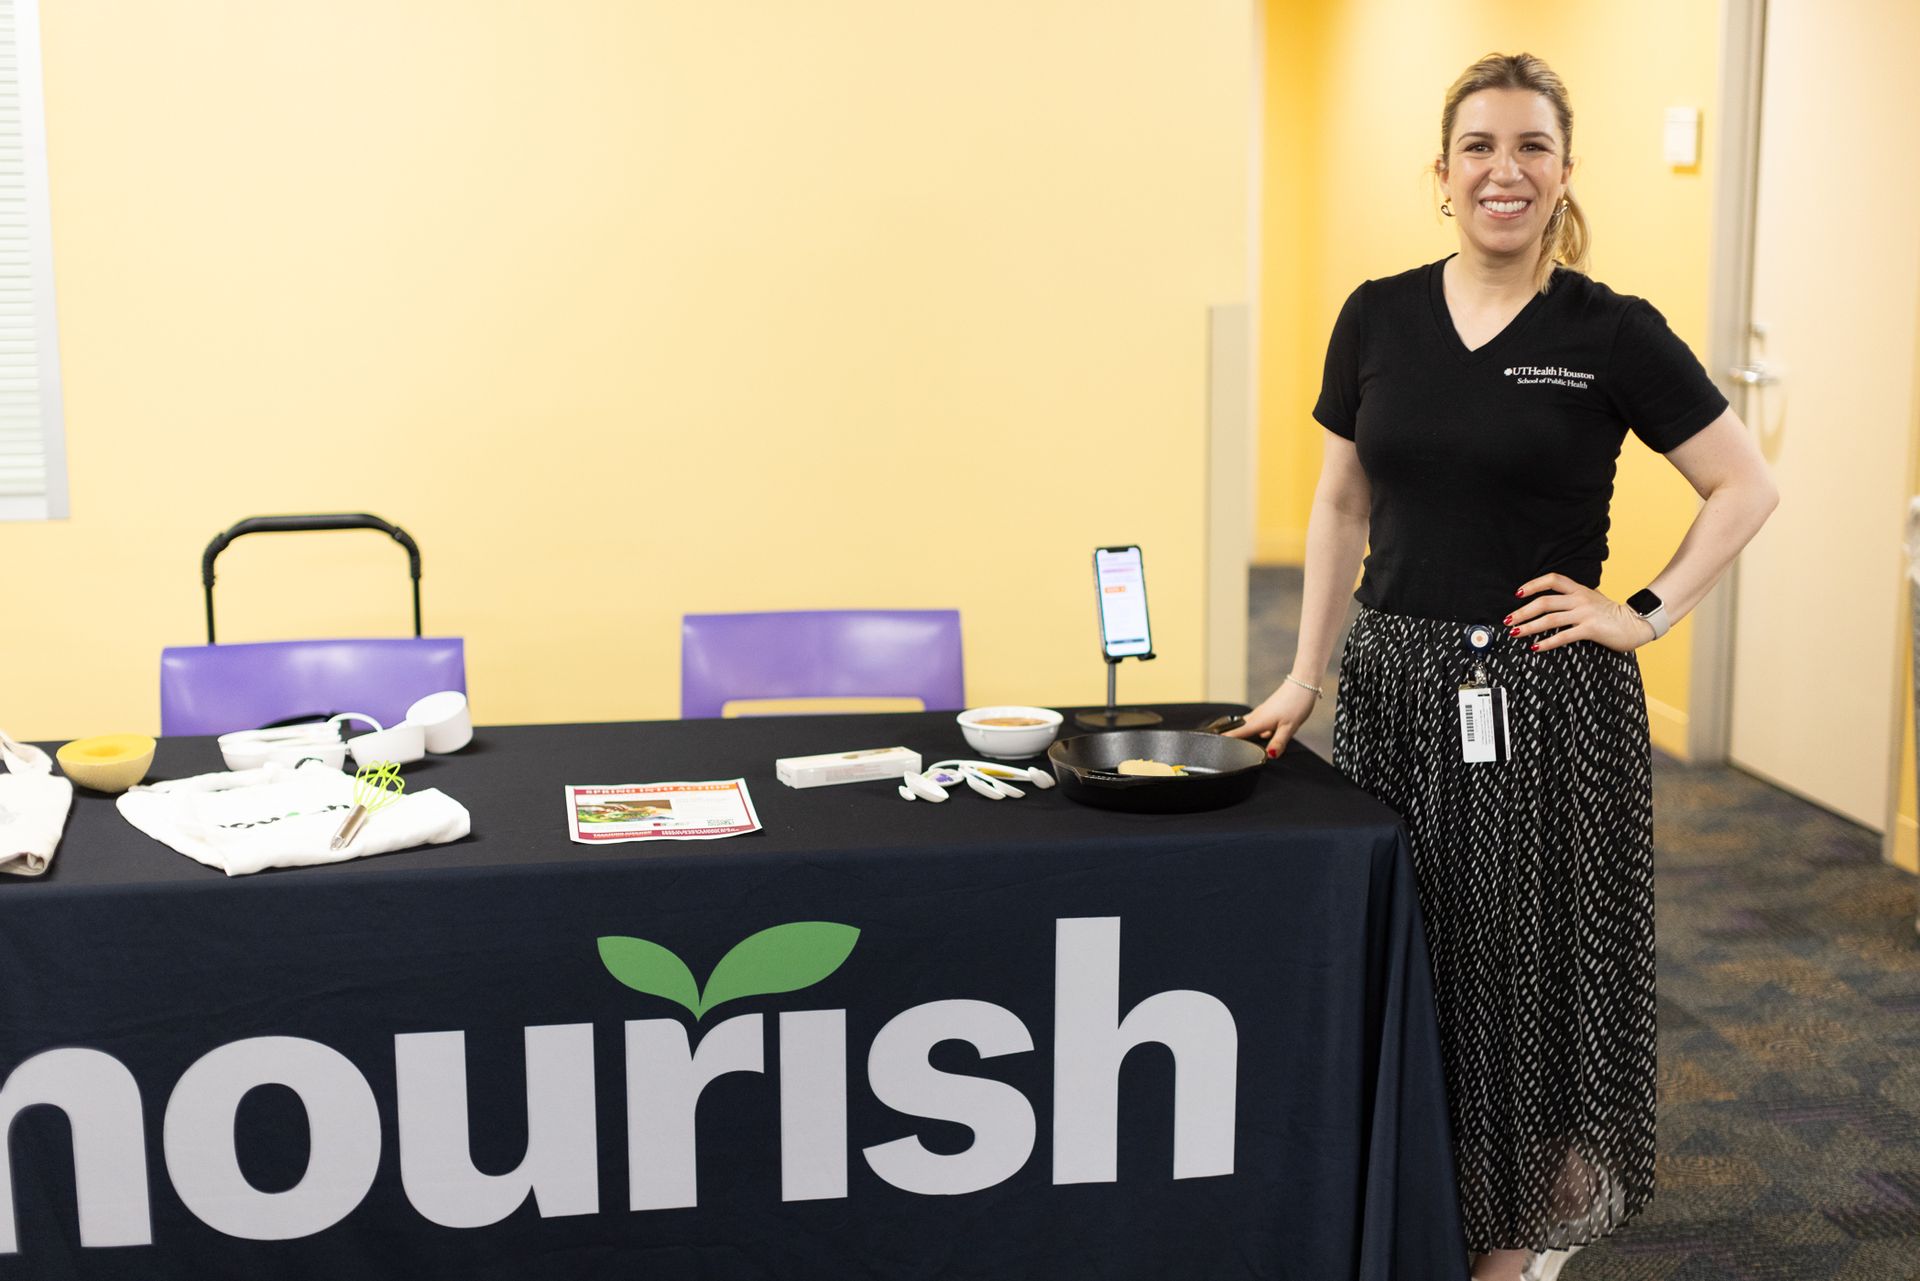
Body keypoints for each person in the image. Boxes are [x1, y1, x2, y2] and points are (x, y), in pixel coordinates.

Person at [1231, 53, 1779, 1281]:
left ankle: (1529, 1220)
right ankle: (1434, 1179)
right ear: (1441, 172)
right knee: (1420, 946)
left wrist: (1644, 612)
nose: (1505, 170)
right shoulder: (1377, 313)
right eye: (1479, 146)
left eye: (1532, 147)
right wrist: (1304, 678)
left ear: (1564, 172)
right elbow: (1336, 507)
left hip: (1546, 695)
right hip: (1396, 691)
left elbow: (1745, 485)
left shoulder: (1612, 332)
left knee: (1531, 957)